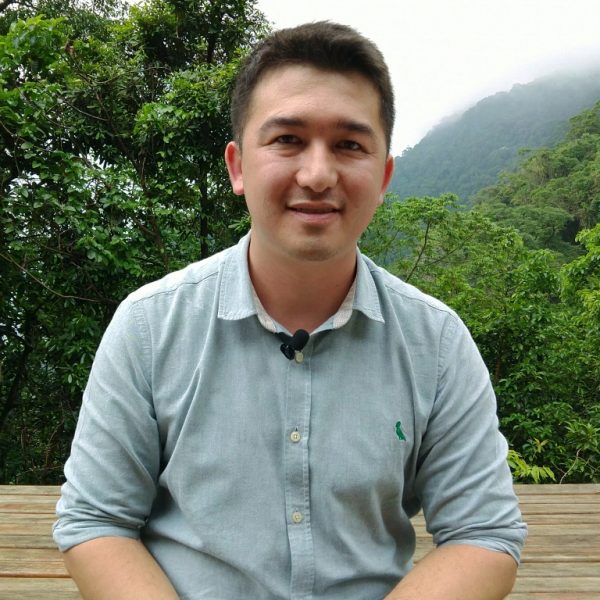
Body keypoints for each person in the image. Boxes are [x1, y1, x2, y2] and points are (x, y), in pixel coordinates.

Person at [53, 21, 527, 600]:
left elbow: (483, 534)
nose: (318, 175)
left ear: (383, 176)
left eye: (350, 145)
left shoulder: (438, 344)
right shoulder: (150, 327)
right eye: (287, 139)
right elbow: (96, 520)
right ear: (237, 166)